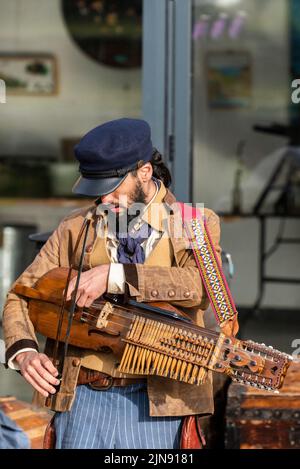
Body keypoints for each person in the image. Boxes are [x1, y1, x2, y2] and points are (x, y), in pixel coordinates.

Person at [2, 118, 238, 449]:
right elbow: (21, 295)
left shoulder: (194, 222)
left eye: (112, 187)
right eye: (96, 191)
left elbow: (199, 286)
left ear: (143, 171)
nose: (103, 200)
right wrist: (23, 351)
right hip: (81, 399)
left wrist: (116, 275)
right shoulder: (74, 225)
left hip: (159, 401)